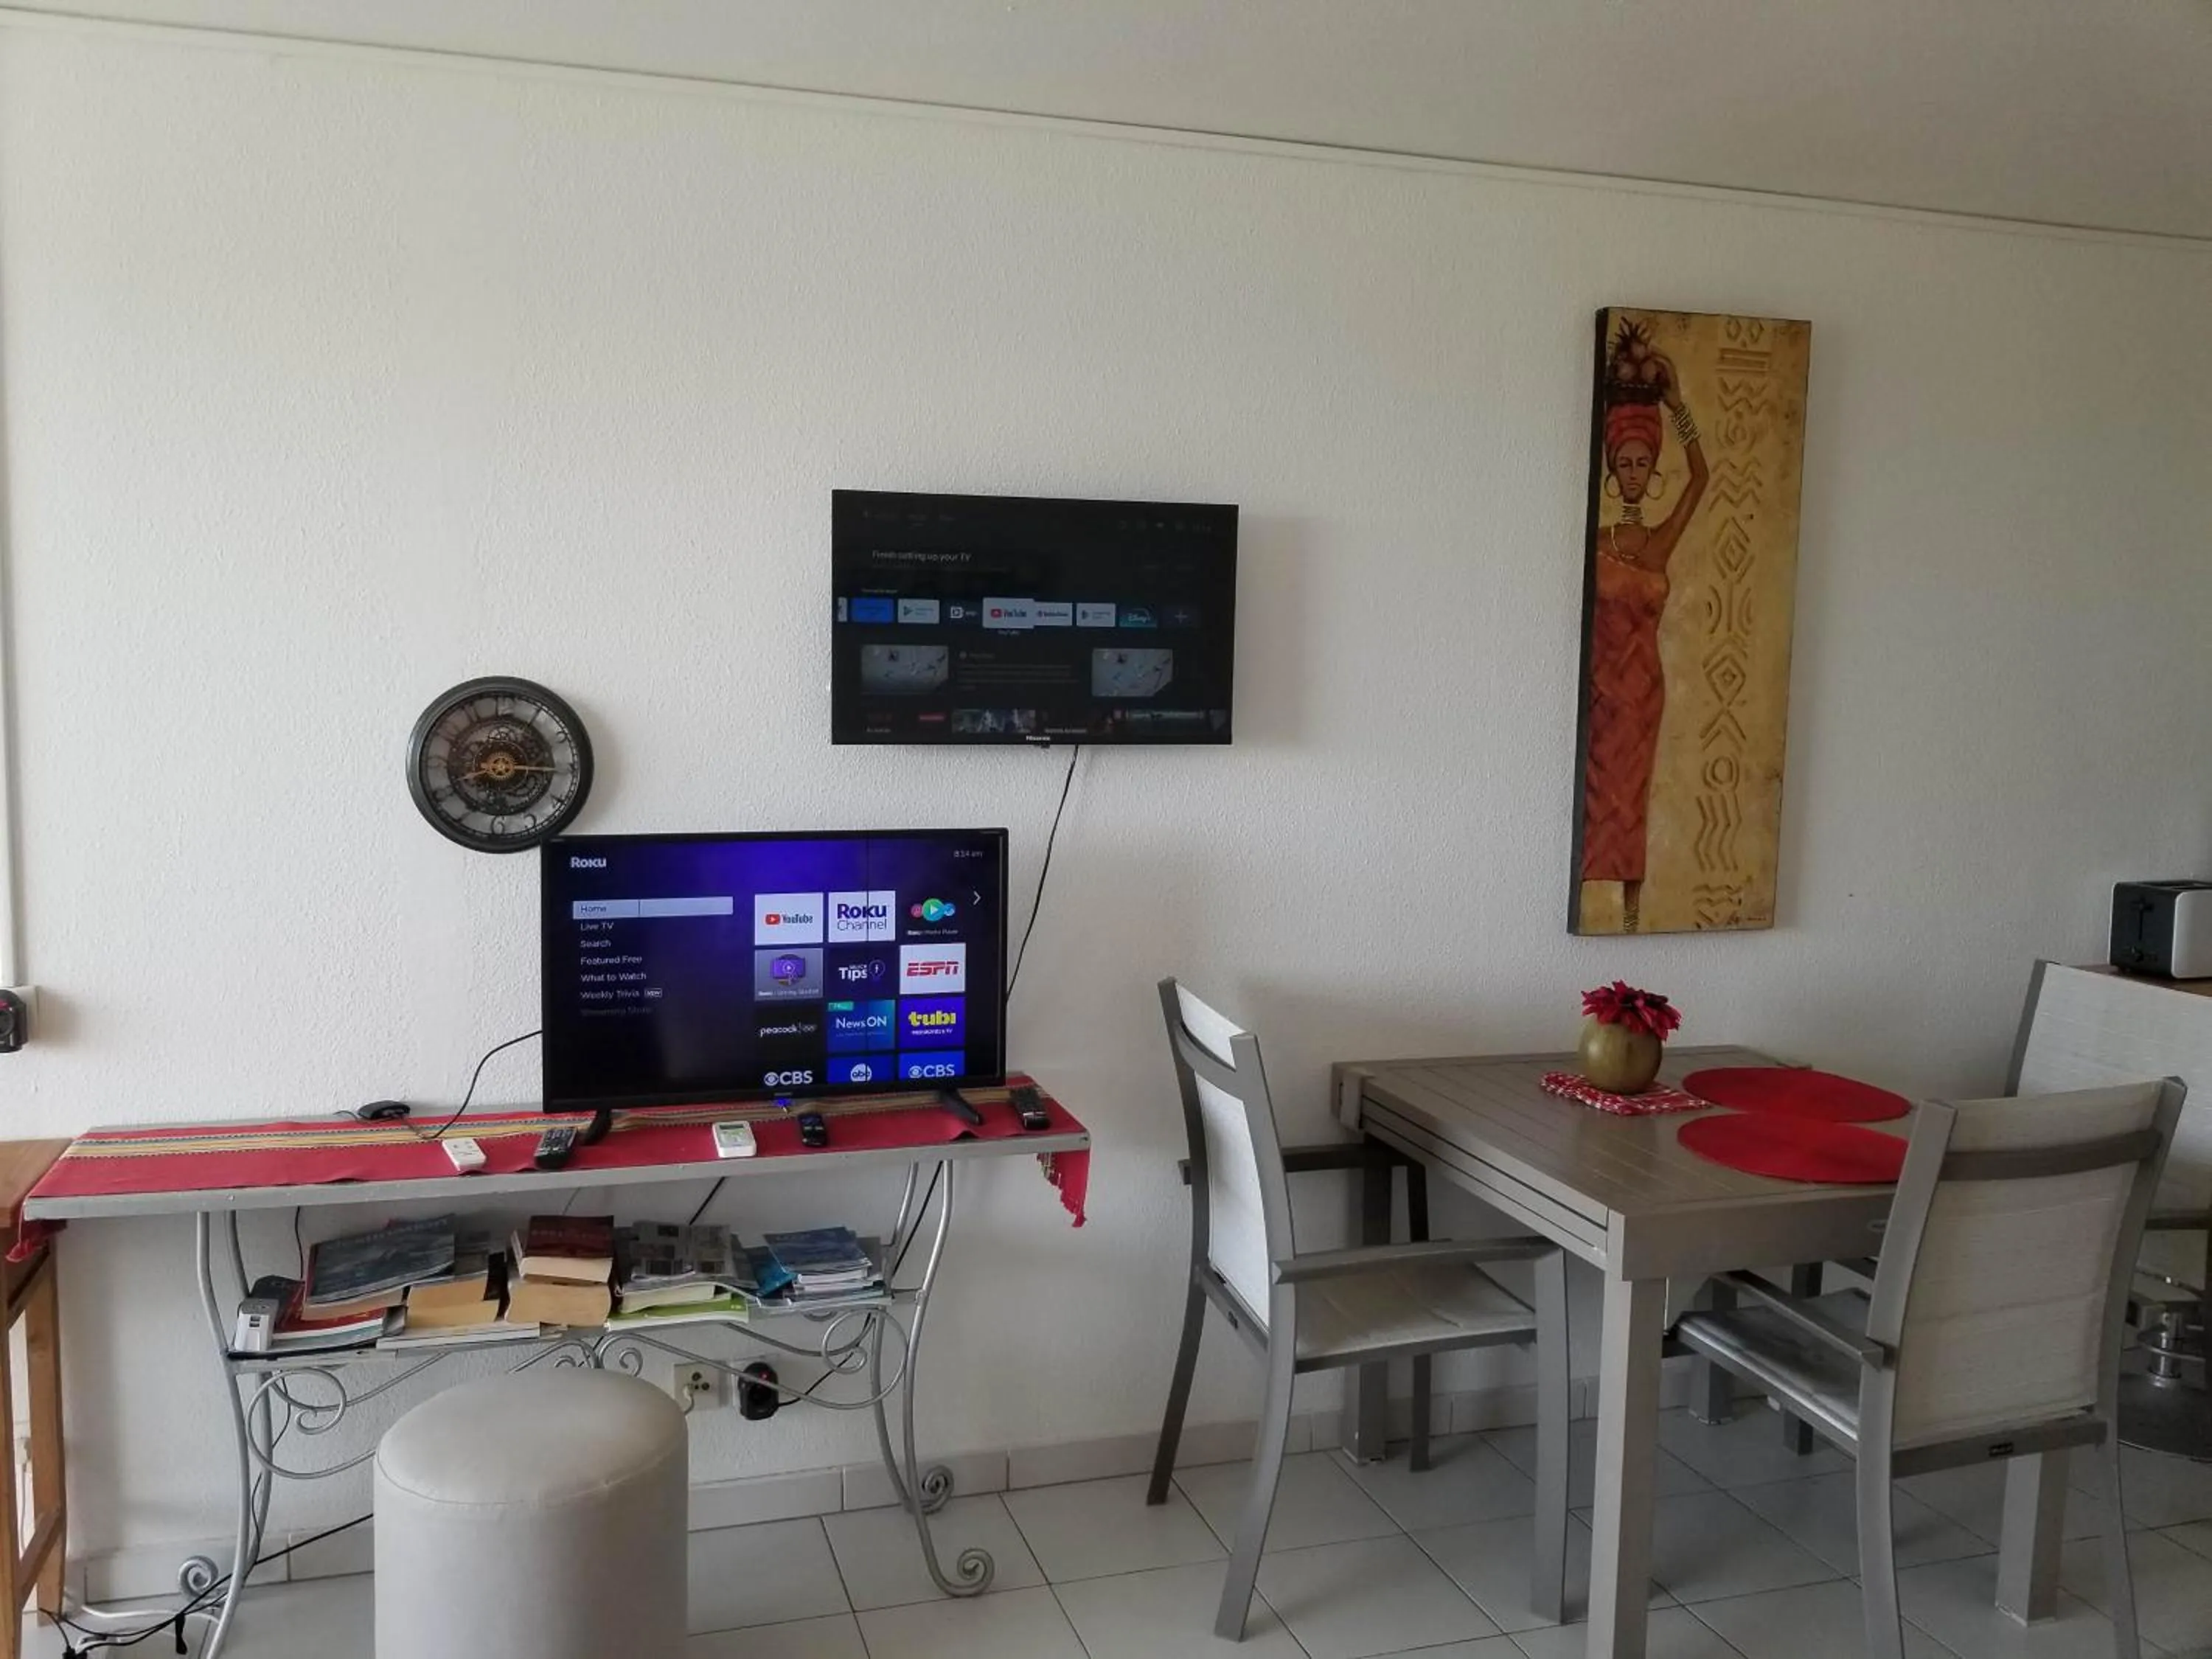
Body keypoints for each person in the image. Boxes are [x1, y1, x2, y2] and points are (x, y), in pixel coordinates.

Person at [1581, 353, 1707, 933]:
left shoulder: (1658, 543)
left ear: (1654, 466)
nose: (1633, 471)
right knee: (1591, 802)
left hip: (1641, 696)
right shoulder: (1592, 541)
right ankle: (1587, 902)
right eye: (1624, 462)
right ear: (1611, 467)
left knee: (1631, 804)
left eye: (1642, 462)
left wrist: (1678, 407)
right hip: (1598, 694)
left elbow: (1702, 479)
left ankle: (1631, 918)